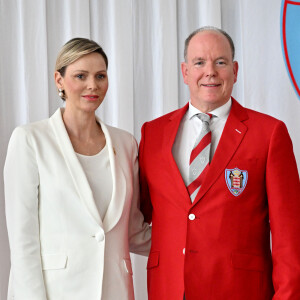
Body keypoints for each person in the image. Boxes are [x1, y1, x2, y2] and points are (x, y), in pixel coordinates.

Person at [138, 26, 300, 300]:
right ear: (185, 72)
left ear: (235, 71)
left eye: (220, 62)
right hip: (170, 290)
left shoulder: (269, 133)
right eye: (199, 62)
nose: (210, 71)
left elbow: (290, 236)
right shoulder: (152, 134)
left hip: (240, 290)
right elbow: (138, 215)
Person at [4, 37, 151, 300]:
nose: (92, 85)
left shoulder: (125, 143)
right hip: (55, 292)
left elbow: (133, 230)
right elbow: (23, 240)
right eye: (80, 76)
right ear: (59, 80)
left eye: (100, 76)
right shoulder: (30, 140)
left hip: (115, 290)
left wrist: (196, 238)